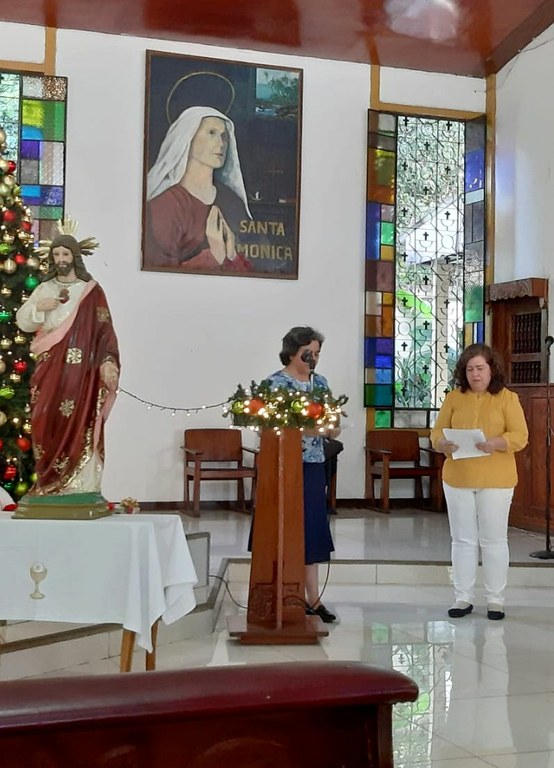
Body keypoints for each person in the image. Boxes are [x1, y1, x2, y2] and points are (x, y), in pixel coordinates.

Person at [16, 233, 120, 496]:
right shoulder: (45, 288)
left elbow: (104, 332)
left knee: (79, 417)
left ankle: (80, 486)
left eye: (66, 254)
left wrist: (108, 362)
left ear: (75, 256)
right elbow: (24, 321)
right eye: (56, 255)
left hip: (81, 370)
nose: (61, 259)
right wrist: (40, 307)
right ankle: (48, 481)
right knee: (44, 417)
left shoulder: (92, 291)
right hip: (49, 364)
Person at [430, 343, 528, 621]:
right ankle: (463, 597)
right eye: (470, 369)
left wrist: (498, 442)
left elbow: (520, 436)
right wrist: (442, 443)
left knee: (494, 540)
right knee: (462, 540)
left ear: (492, 369)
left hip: (496, 478)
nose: (475, 374)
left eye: (480, 368)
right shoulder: (453, 398)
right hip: (458, 476)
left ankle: (495, 600)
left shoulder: (507, 399)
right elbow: (436, 431)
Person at [264, 326, 340, 623]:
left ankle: (314, 598)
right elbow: (274, 427)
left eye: (318, 354)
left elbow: (331, 419)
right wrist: (308, 428)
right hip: (283, 466)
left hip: (312, 463)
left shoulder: (319, 383)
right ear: (293, 352)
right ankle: (281, 592)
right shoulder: (276, 384)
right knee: (285, 529)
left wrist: (331, 427)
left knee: (311, 530)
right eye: (309, 353)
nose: (314, 359)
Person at [145, 105, 252, 273]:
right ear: (187, 137)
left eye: (224, 136)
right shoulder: (165, 205)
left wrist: (231, 257)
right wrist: (213, 256)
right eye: (211, 133)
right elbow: (159, 275)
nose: (221, 143)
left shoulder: (232, 200)